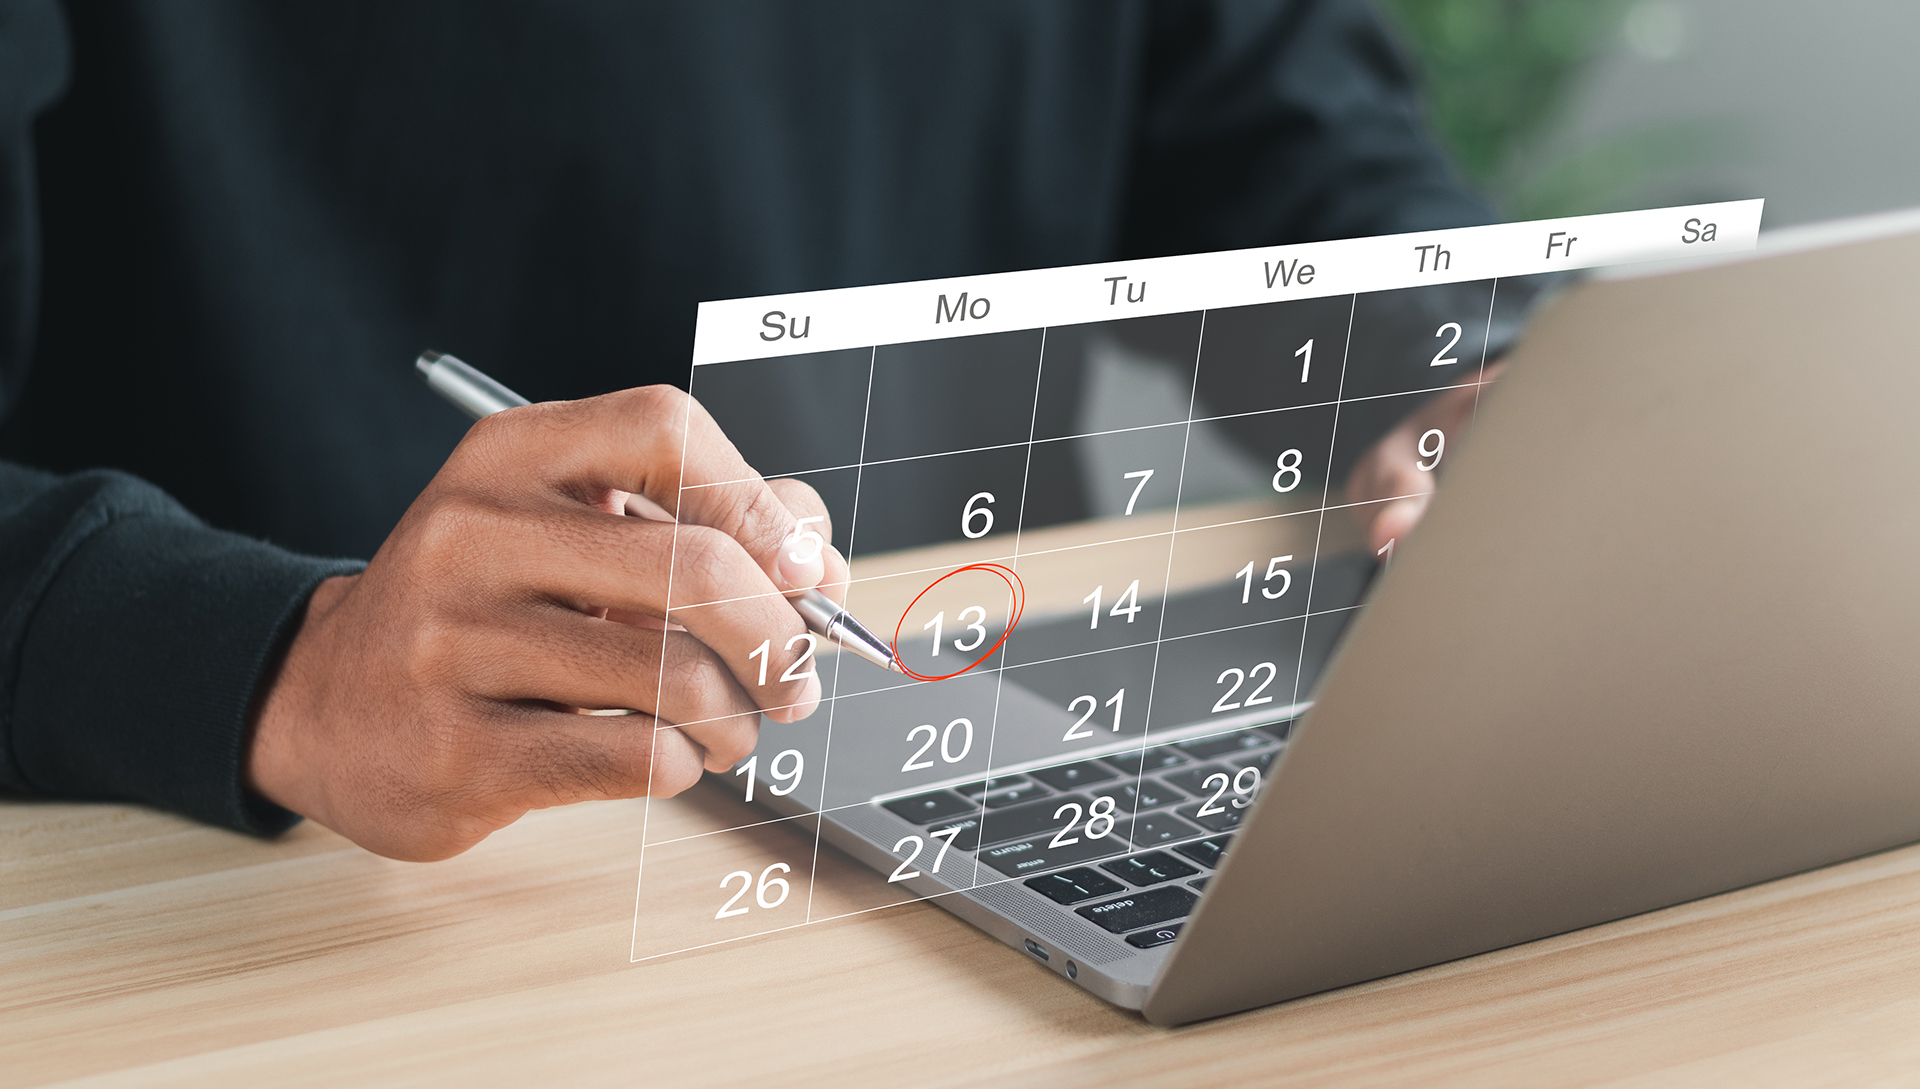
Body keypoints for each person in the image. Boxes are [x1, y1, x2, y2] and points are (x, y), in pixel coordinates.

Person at [0, 0, 1500, 860]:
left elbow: (1282, 122)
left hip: (961, 763)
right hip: (247, 866)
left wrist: (1454, 369)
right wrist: (277, 659)